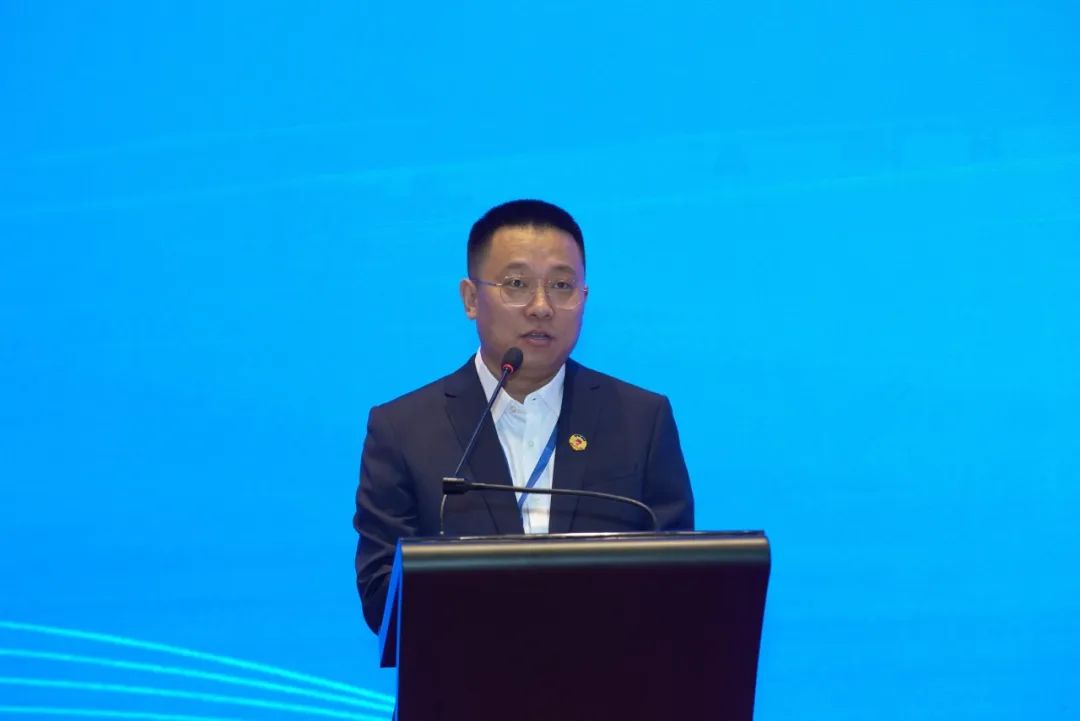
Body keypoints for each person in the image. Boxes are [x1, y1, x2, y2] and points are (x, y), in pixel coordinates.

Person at [353, 199, 694, 633]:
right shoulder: (403, 429)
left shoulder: (642, 419)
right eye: (517, 284)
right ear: (471, 299)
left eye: (562, 285)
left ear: (584, 298)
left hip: (607, 672)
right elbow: (381, 597)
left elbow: (678, 579)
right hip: (463, 674)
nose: (541, 306)